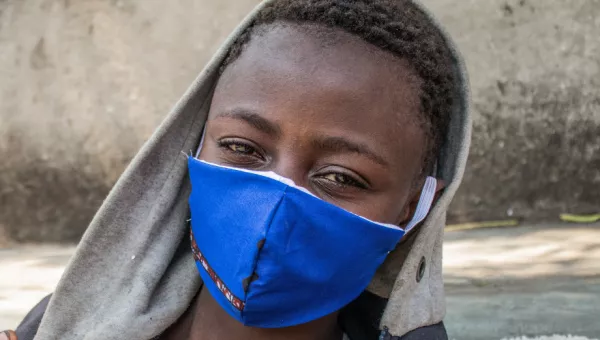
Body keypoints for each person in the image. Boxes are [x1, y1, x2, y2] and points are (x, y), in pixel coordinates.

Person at [3, 0, 470, 339]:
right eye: (241, 147)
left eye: (341, 176)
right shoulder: (65, 323)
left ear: (414, 208)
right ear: (194, 147)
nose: (273, 203)